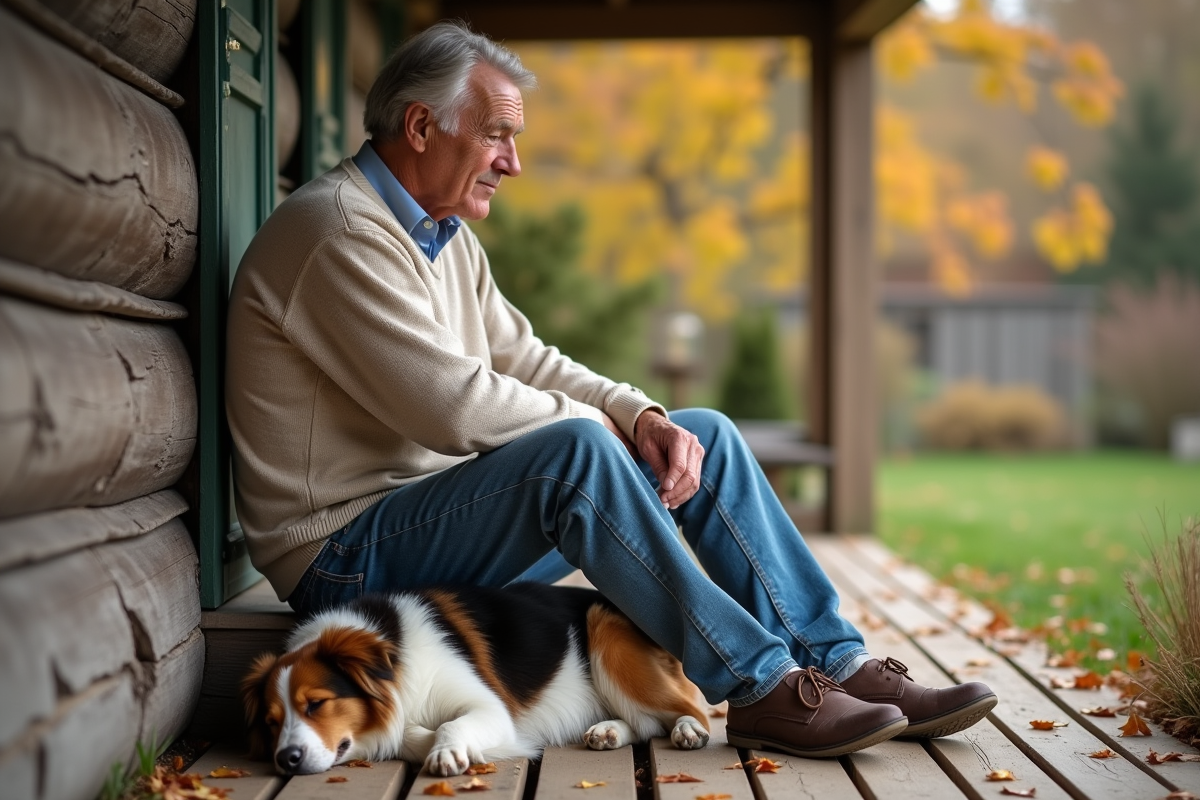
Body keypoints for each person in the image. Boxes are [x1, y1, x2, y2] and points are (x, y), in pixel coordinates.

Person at [226, 20, 996, 758]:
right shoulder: (339, 232)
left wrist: (641, 415)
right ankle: (761, 685)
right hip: (344, 559)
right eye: (497, 134)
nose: (513, 162)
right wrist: (605, 434)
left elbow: (525, 359)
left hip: (431, 525)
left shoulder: (441, 236)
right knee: (577, 453)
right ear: (422, 127)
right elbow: (452, 407)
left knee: (704, 436)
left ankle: (835, 659)